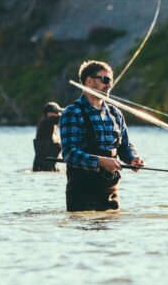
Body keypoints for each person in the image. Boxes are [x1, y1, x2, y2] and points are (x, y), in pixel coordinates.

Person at [59, 60, 144, 212]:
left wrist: (133, 158)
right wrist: (100, 161)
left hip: (111, 194)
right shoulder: (72, 112)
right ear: (90, 81)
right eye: (105, 80)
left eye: (111, 80)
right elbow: (69, 153)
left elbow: (125, 146)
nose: (109, 85)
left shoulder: (115, 113)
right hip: (82, 195)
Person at [33, 102, 63, 171]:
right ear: (49, 113)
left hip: (45, 161)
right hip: (44, 163)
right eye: (56, 112)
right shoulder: (47, 122)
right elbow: (63, 118)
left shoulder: (45, 123)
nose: (58, 114)